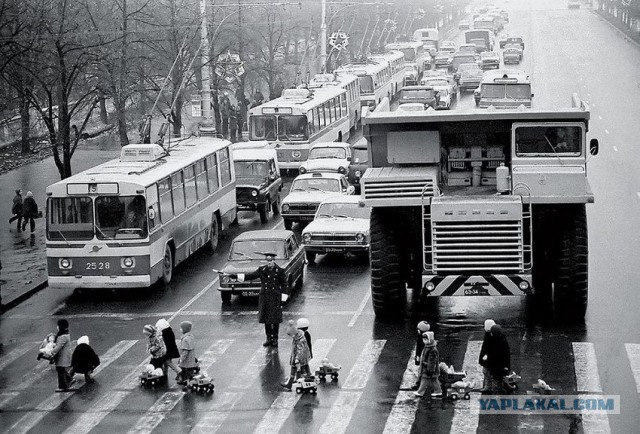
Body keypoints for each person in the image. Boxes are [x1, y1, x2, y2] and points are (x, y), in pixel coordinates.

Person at [230, 252, 288, 347]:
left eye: (271, 261)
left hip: (275, 297)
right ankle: (269, 338)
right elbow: (250, 276)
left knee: (275, 319)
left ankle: (275, 339)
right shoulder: (262, 270)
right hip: (265, 297)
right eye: (268, 261)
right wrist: (236, 276)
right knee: (266, 319)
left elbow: (284, 285)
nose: (269, 263)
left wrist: (283, 298)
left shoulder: (280, 271)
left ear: (274, 261)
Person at [281, 320, 312, 391]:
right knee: (302, 369)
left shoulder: (299, 340)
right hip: (302, 358)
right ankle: (301, 380)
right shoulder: (298, 337)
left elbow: (300, 350)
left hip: (298, 359)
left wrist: (297, 358)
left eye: (291, 335)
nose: (291, 336)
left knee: (295, 370)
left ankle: (291, 383)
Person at [50, 319, 75, 391]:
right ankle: (69, 379)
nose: (57, 327)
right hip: (62, 356)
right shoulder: (63, 334)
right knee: (61, 369)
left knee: (60, 369)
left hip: (62, 356)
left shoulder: (63, 336)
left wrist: (51, 352)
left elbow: (59, 347)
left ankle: (64, 385)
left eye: (58, 325)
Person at [486, 324, 511, 393]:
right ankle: (505, 388)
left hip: (496, 367)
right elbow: (507, 355)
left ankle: (498, 393)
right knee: (500, 379)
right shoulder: (503, 340)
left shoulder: (494, 342)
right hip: (502, 366)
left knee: (496, 381)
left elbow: (492, 355)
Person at [415, 331, 441, 398]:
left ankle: (420, 392)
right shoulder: (428, 347)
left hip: (429, 369)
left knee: (424, 380)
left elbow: (432, 362)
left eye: (425, 340)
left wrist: (430, 370)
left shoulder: (432, 350)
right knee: (434, 380)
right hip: (428, 369)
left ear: (430, 340)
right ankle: (438, 391)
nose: (424, 341)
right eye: (423, 339)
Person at [411, 321, 431, 390]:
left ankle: (419, 385)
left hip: (425, 360)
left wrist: (418, 357)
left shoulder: (423, 340)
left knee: (422, 372)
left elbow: (419, 349)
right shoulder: (427, 338)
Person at [479, 319, 496, 392]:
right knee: (488, 372)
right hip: (490, 358)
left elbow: (486, 348)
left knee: (487, 372)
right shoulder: (492, 334)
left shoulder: (490, 336)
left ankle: (489, 386)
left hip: (490, 358)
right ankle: (489, 386)